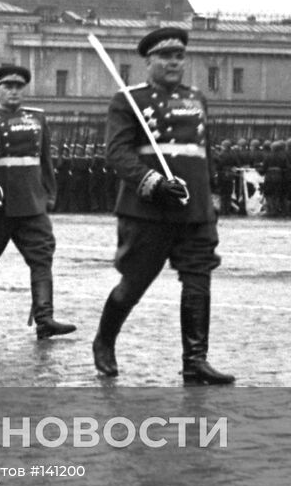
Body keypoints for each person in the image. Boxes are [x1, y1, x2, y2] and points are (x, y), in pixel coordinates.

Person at [91, 26, 234, 384]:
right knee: (134, 282)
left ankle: (195, 360)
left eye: (179, 56)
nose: (173, 62)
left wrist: (211, 196)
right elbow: (117, 153)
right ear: (149, 61)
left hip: (194, 208)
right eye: (165, 56)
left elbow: (204, 153)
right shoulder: (128, 101)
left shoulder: (197, 99)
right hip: (148, 211)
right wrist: (152, 183)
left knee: (199, 279)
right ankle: (104, 342)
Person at [0, 65, 76, 339]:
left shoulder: (37, 119)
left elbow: (45, 159)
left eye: (18, 87)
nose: (13, 91)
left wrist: (49, 193)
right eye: (7, 87)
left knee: (42, 258)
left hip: (31, 203)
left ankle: (45, 318)